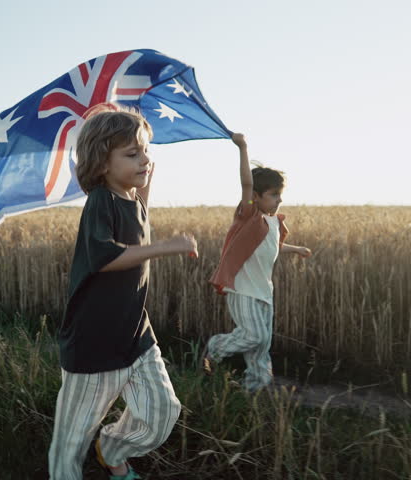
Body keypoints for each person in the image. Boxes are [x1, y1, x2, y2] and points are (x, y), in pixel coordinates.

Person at [48, 106, 197, 480]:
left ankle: (112, 450)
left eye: (146, 150)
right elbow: (105, 256)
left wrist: (142, 166)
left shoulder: (132, 199)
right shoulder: (101, 201)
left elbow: (141, 203)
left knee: (163, 410)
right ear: (101, 164)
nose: (144, 159)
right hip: (94, 344)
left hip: (134, 335)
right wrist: (167, 246)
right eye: (132, 154)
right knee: (70, 442)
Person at [203, 133, 311, 392]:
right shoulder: (249, 216)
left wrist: (295, 249)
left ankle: (256, 388)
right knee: (255, 336)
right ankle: (215, 347)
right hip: (242, 290)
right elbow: (245, 183)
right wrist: (243, 147)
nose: (279, 200)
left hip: (263, 292)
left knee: (262, 345)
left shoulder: (273, 223)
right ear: (257, 196)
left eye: (280, 195)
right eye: (274, 195)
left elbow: (271, 248)